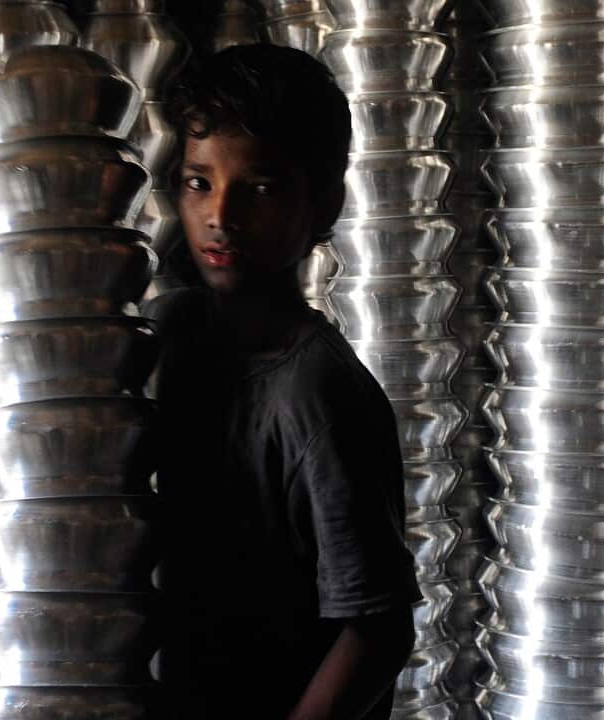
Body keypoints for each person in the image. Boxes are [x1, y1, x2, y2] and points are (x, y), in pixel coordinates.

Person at [151, 44, 421, 720]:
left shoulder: (319, 396)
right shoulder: (164, 339)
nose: (222, 215)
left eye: (261, 189)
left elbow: (377, 629)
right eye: (199, 182)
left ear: (323, 205)